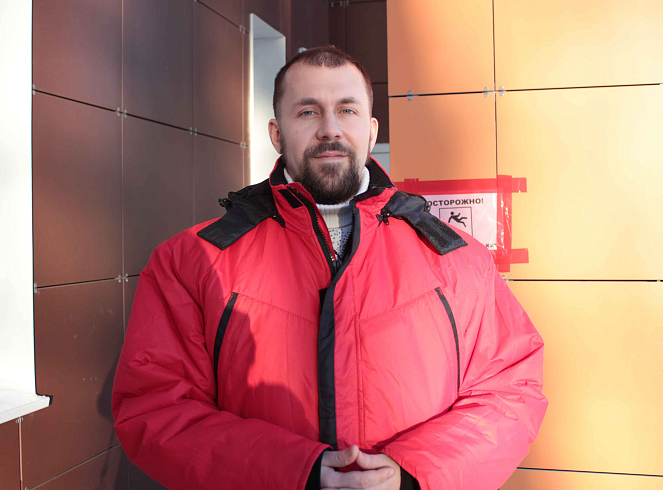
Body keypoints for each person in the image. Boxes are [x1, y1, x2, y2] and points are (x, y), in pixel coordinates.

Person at [112, 46, 547, 490]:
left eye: (347, 110)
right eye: (307, 112)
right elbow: (156, 408)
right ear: (277, 133)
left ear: (371, 130)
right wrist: (295, 473)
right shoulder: (192, 262)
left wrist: (413, 475)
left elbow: (510, 392)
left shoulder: (457, 259)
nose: (330, 129)